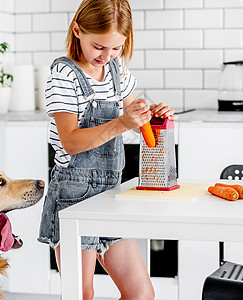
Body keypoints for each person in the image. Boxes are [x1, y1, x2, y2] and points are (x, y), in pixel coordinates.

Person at [38, 0, 175, 299]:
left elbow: (136, 120)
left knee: (141, 294)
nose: (107, 56)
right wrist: (123, 123)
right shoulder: (64, 75)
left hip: (111, 196)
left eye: (116, 48)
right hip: (73, 195)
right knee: (81, 294)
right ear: (77, 30)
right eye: (99, 46)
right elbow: (70, 142)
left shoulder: (116, 69)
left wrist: (151, 117)